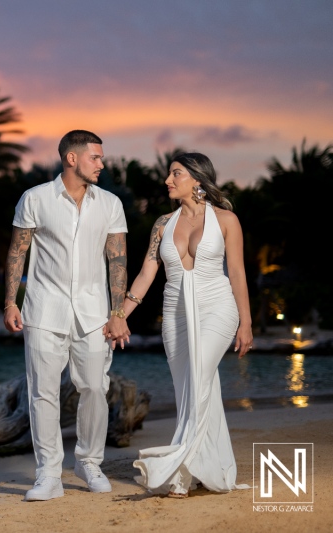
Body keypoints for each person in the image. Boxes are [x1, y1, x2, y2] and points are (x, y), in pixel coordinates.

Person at [3, 130, 130, 501]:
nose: (102, 164)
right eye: (96, 158)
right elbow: (17, 252)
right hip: (43, 308)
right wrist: (11, 302)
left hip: (93, 314)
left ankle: (89, 462)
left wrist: (118, 311)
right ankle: (48, 474)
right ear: (72, 158)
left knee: (94, 387)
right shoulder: (35, 198)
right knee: (42, 393)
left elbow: (117, 260)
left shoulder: (110, 204)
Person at [119, 152, 253, 498]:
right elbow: (147, 273)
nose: (168, 180)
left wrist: (246, 322)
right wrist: (119, 315)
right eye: (169, 174)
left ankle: (175, 469)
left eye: (175, 173)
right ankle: (207, 467)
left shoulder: (226, 220)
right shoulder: (162, 224)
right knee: (188, 388)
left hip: (217, 308)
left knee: (199, 377)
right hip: (175, 314)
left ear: (196, 179)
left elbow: (237, 272)